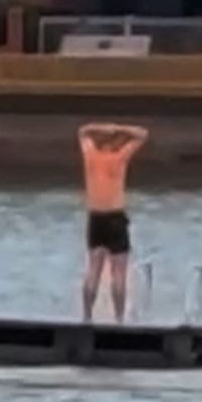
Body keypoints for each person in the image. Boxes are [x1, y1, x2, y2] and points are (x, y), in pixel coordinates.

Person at [79, 122, 149, 323]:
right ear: (115, 145)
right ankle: (119, 319)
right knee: (119, 273)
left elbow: (82, 131)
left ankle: (86, 316)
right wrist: (120, 129)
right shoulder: (120, 158)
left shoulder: (90, 155)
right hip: (115, 217)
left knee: (93, 270)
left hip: (96, 217)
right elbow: (142, 134)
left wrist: (102, 128)